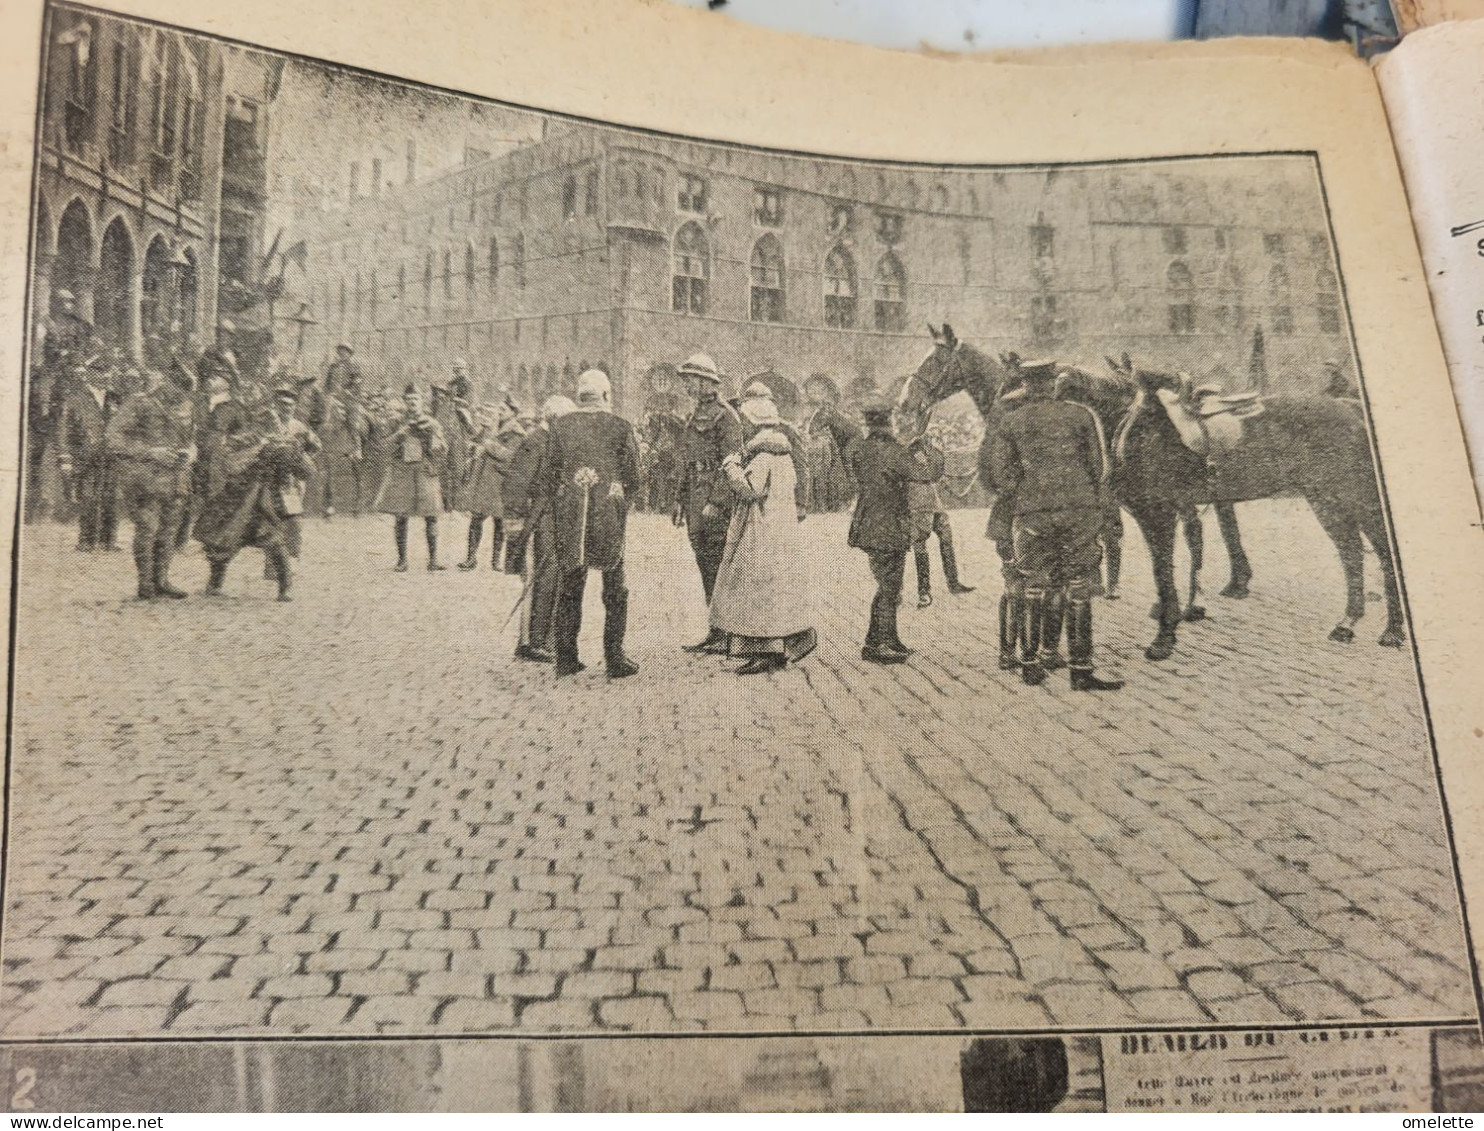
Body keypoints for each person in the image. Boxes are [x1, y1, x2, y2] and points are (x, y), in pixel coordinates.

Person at [988, 361, 1124, 691]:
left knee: (1034, 584)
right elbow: (1098, 468)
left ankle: (1030, 664)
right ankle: (1080, 670)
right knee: (1078, 589)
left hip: (1032, 513)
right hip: (1079, 511)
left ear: (1025, 386)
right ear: (1053, 383)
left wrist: (1028, 491)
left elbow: (1002, 478)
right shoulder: (1081, 415)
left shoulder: (1011, 421)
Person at [538, 369, 641, 679]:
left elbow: (549, 474)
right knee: (614, 589)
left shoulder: (560, 426)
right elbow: (634, 476)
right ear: (606, 396)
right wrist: (621, 498)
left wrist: (566, 497)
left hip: (571, 515)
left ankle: (566, 658)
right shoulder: (621, 426)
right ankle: (614, 658)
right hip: (607, 515)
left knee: (570, 587)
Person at [707, 397, 817, 675]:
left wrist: (731, 467)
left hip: (760, 531)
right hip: (780, 531)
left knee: (756, 588)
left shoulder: (764, 456)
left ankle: (766, 652)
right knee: (775, 588)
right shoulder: (784, 454)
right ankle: (779, 648)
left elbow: (749, 490)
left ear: (754, 424)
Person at [194, 391, 315, 602]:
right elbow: (228, 462)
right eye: (269, 417)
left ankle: (286, 586)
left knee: (273, 539)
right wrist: (260, 447)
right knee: (225, 540)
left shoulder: (290, 440)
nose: (273, 420)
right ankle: (214, 584)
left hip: (271, 497)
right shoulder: (246, 438)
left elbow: (307, 470)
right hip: (240, 497)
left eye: (275, 419)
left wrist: (292, 451)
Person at [845, 403, 941, 664]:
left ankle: (884, 639)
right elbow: (929, 474)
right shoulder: (895, 451)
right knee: (889, 588)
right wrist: (927, 448)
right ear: (888, 424)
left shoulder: (860, 449)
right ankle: (879, 646)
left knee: (887, 584)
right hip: (889, 527)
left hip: (867, 525)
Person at [674, 352, 745, 653]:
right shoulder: (694, 416)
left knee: (718, 563)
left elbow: (732, 462)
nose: (686, 386)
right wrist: (679, 499)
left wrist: (717, 501)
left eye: (690, 380)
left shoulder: (726, 416)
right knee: (704, 562)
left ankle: (728, 632)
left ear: (706, 382)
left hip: (713, 499)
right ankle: (716, 631)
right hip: (694, 496)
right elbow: (686, 461)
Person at [106, 365, 196, 600]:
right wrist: (150, 451)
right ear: (164, 382)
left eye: (182, 389)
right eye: (174, 387)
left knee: (169, 532)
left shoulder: (186, 406)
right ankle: (145, 583)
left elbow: (193, 439)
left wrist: (190, 453)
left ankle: (162, 581)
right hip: (146, 478)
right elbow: (113, 438)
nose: (179, 394)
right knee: (148, 529)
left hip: (177, 478)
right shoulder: (139, 403)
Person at [507, 395, 574, 663]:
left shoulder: (552, 442)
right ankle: (533, 642)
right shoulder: (535, 441)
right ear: (555, 418)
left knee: (550, 575)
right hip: (534, 519)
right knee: (541, 577)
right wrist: (518, 523)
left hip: (548, 516)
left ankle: (540, 639)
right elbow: (516, 484)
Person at [374, 385, 449, 571]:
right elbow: (382, 447)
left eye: (415, 399)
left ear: (421, 401)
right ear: (404, 402)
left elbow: (443, 450)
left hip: (425, 471)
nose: (412, 403)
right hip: (403, 471)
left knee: (431, 516)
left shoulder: (432, 423)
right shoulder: (396, 422)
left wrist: (433, 439)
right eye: (408, 400)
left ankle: (433, 560)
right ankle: (402, 560)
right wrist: (401, 434)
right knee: (401, 516)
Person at [57, 354, 121, 552]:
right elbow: (64, 429)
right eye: (102, 372)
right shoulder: (75, 398)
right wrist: (65, 457)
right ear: (90, 374)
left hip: (112, 455)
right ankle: (86, 541)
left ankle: (108, 541)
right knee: (89, 497)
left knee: (112, 497)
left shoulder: (115, 397)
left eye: (109, 372)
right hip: (85, 456)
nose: (106, 376)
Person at [907, 432, 975, 607]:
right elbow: (931, 470)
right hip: (919, 502)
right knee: (920, 545)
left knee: (946, 539)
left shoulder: (922, 447)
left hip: (933, 501)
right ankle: (924, 592)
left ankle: (953, 583)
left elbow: (935, 471)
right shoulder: (912, 449)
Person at [458, 402, 524, 570]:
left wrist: (488, 445)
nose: (500, 412)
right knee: (477, 518)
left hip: (501, 481)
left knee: (499, 522)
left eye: (504, 409)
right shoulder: (495, 427)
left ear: (513, 413)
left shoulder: (516, 433)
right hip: (486, 481)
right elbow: (475, 442)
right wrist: (478, 442)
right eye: (499, 408)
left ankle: (495, 561)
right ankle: (471, 558)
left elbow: (510, 456)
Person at [802, 374, 861, 512]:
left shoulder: (827, 410)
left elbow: (816, 425)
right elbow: (814, 426)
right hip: (844, 440)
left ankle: (854, 498)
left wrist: (812, 432)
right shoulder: (823, 410)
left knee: (847, 462)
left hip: (853, 438)